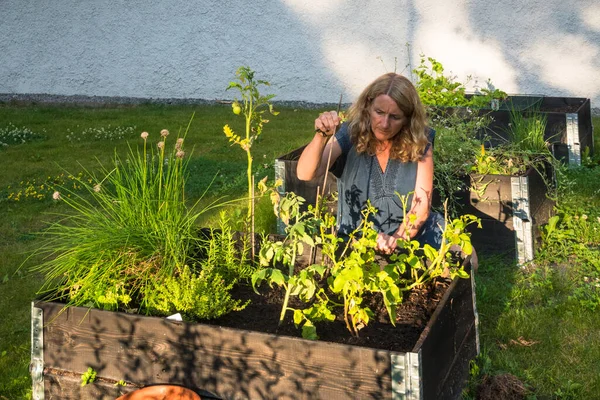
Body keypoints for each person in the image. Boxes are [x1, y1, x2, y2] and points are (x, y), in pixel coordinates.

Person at [296, 72, 444, 255]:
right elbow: (305, 173)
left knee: (467, 258)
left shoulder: (420, 141)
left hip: (410, 232)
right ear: (367, 107)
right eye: (379, 112)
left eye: (395, 117)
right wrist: (321, 136)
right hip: (358, 236)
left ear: (408, 119)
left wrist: (397, 239)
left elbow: (420, 208)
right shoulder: (349, 135)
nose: (384, 123)